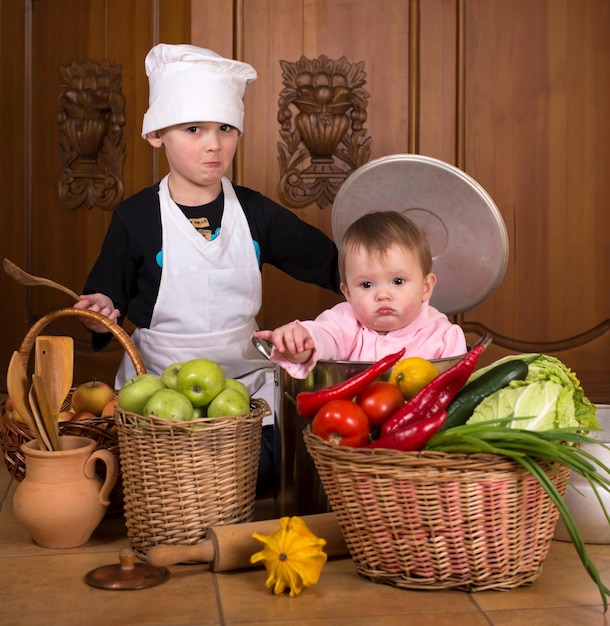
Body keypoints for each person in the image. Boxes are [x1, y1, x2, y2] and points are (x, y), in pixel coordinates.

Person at [73, 44, 340, 493]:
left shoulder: (255, 212)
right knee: (142, 473)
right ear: (157, 134)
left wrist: (383, 285)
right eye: (194, 129)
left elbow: (332, 265)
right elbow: (105, 304)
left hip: (243, 387)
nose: (213, 144)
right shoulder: (134, 218)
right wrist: (102, 310)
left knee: (266, 467)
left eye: (225, 129)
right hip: (157, 388)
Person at [253, 210, 467, 378]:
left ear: (426, 287)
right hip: (352, 427)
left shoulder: (444, 336)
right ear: (347, 292)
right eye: (366, 285)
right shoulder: (345, 321)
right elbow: (325, 336)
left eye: (398, 281)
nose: (382, 295)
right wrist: (301, 343)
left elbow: (457, 393)